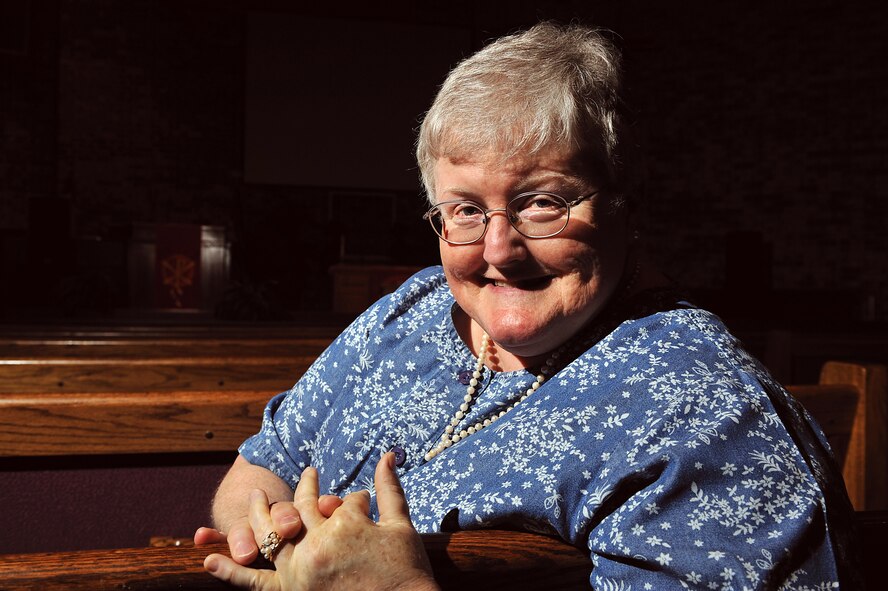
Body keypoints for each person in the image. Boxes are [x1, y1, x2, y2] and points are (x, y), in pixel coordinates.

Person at [195, 21, 856, 589]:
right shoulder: (411, 310)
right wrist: (274, 535)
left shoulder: (705, 417)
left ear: (627, 202)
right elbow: (262, 464)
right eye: (465, 210)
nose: (499, 248)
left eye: (544, 201)